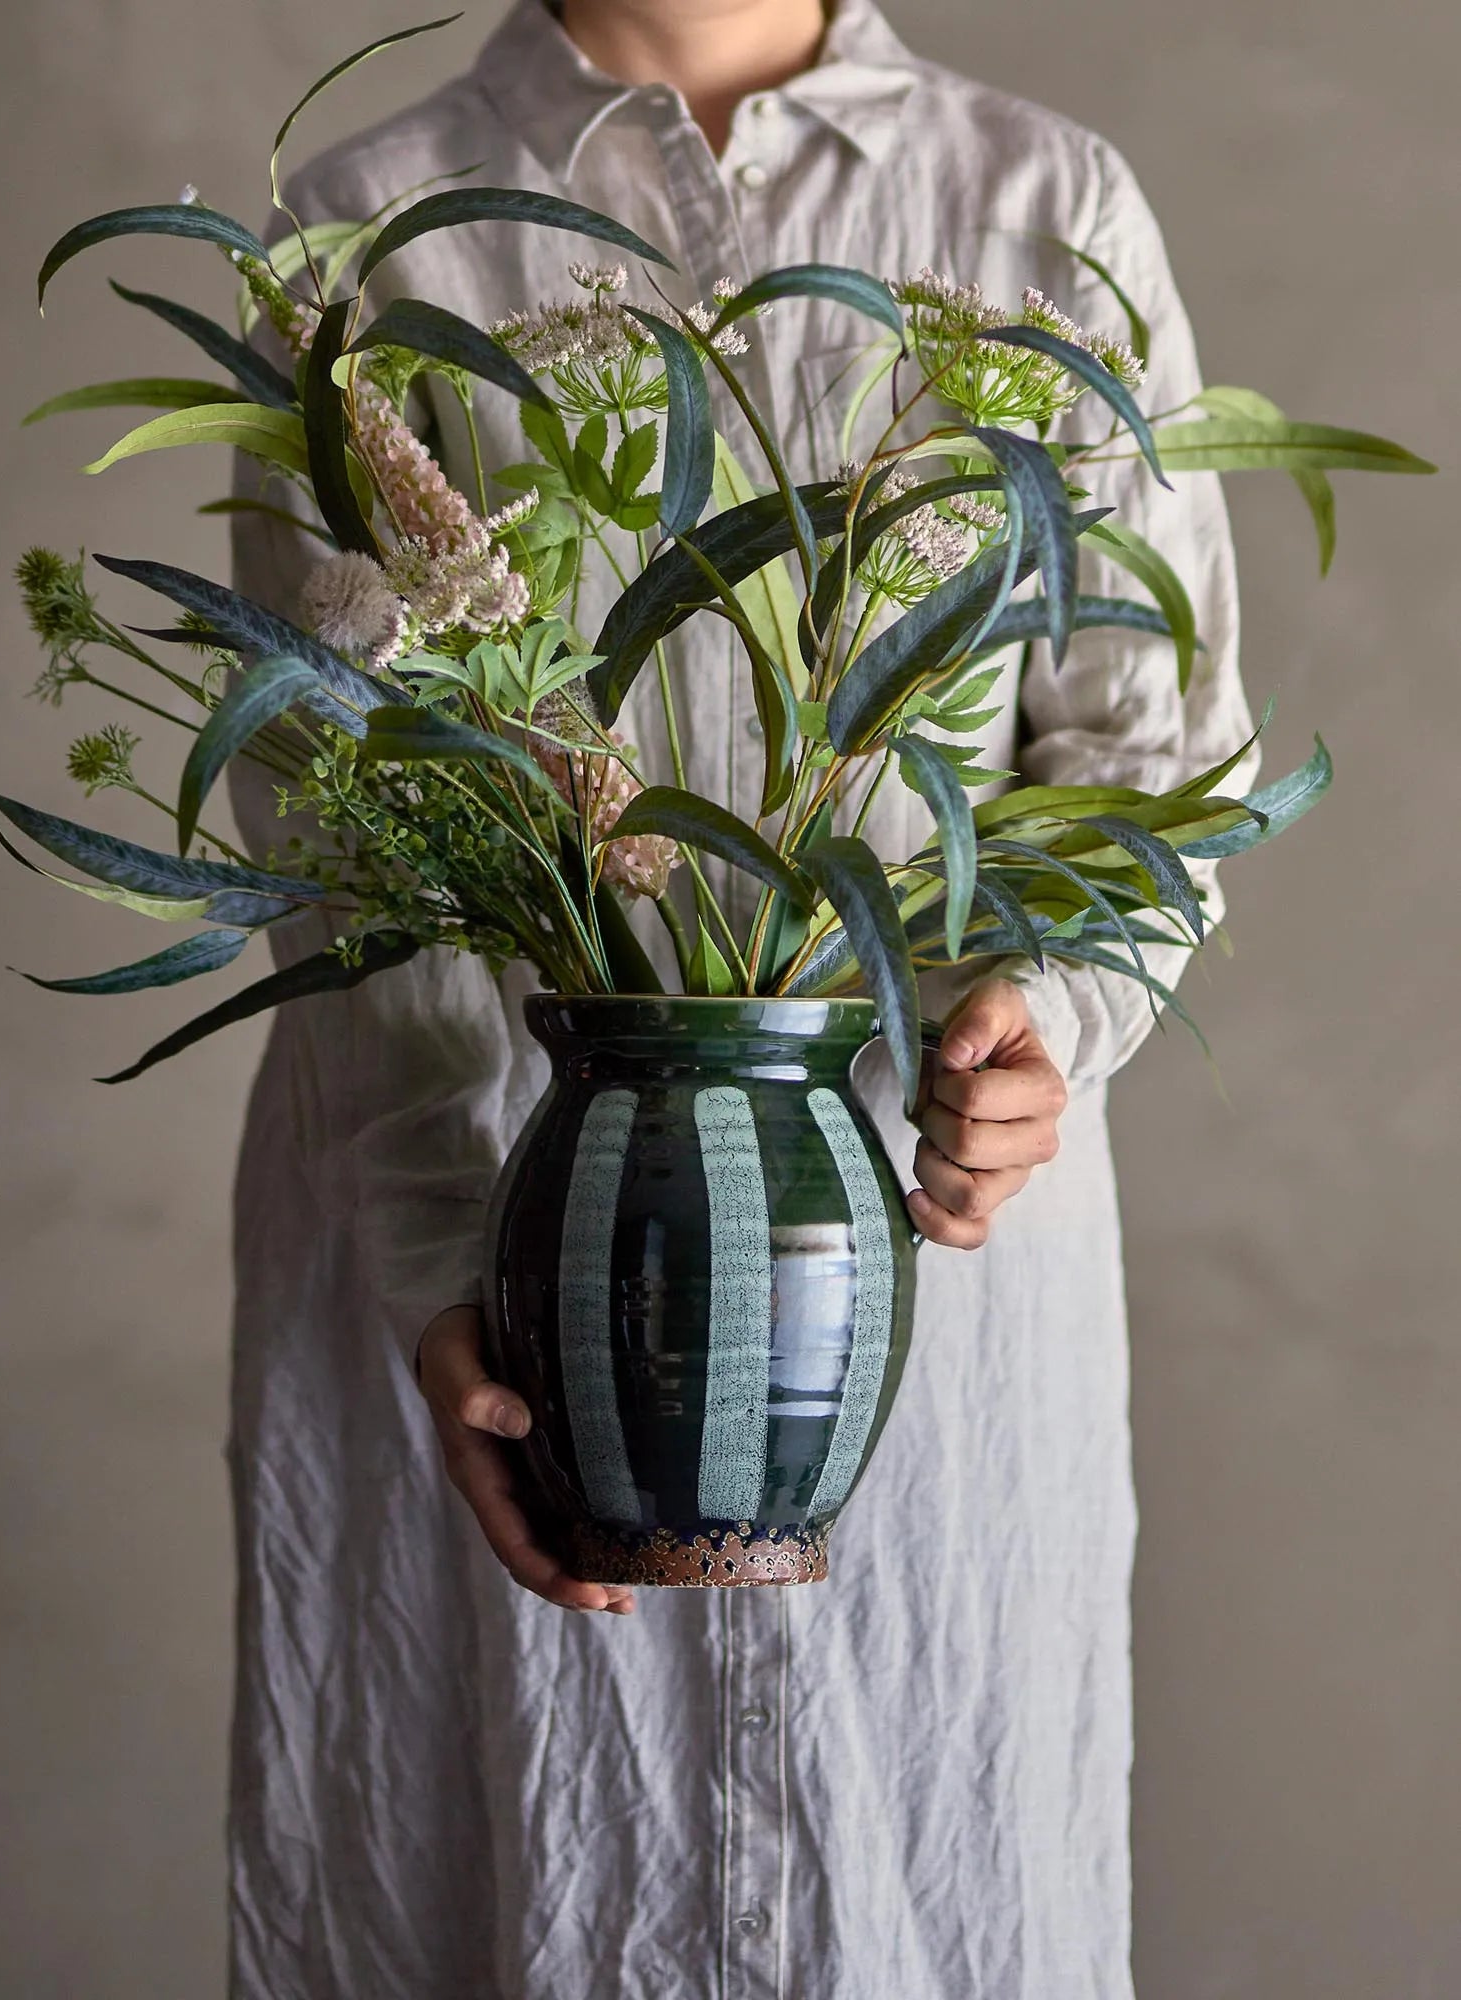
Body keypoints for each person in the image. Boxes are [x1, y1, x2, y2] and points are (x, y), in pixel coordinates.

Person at [226, 1, 1252, 1994]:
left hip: (912, 1240)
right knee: (500, 1868)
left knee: (932, 1867)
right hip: (497, 1227)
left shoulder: (1039, 207)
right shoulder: (371, 233)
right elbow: (338, 813)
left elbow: (1151, 749)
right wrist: (451, 1262)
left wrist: (1051, 1011)